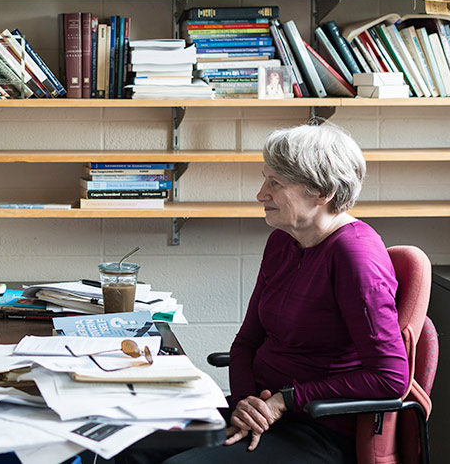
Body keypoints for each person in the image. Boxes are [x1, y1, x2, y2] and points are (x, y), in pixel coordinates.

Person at [120, 122, 409, 464]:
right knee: (119, 442)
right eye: (264, 178)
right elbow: (246, 343)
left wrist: (283, 401)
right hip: (262, 411)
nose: (261, 194)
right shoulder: (283, 241)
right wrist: (246, 403)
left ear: (322, 192)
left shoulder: (355, 256)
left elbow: (389, 378)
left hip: (318, 428)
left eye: (276, 183)